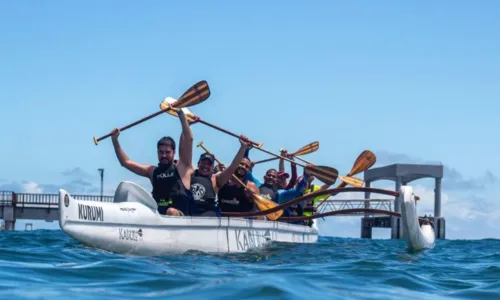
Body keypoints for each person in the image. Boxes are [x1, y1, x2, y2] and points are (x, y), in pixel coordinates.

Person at [110, 107, 194, 216]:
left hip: (180, 219)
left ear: (173, 152)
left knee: (171, 211)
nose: (164, 155)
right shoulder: (152, 171)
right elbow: (126, 162)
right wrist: (115, 140)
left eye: (167, 152)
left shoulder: (183, 168)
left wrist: (182, 118)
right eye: (161, 152)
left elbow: (188, 140)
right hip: (159, 220)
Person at [189, 136, 252, 216]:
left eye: (209, 164)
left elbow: (233, 166)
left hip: (206, 216)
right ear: (198, 164)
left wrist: (243, 147)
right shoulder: (190, 174)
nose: (205, 166)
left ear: (212, 168)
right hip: (189, 212)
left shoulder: (216, 179)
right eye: (203, 162)